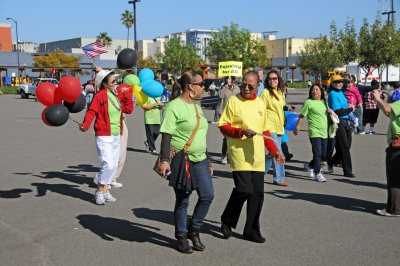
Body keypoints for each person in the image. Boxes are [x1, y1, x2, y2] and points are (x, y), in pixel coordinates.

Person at [218, 71, 284, 243]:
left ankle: (251, 231)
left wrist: (275, 150)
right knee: (244, 189)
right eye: (244, 85)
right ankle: (227, 220)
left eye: (250, 86)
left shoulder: (260, 103)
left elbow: (265, 131)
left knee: (257, 194)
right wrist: (240, 132)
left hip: (257, 155)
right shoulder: (234, 101)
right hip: (239, 153)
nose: (246, 88)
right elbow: (223, 126)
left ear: (257, 86)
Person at [159, 72, 214, 254]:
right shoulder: (173, 107)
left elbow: (199, 134)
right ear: (190, 86)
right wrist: (165, 161)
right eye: (201, 84)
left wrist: (209, 161)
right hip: (182, 160)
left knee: (207, 195)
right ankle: (181, 237)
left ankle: (194, 230)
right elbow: (166, 134)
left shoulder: (197, 107)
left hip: (200, 160)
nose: (204, 87)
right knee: (183, 200)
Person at [80, 69, 134, 205]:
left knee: (114, 165)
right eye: (113, 81)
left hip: (116, 134)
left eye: (116, 80)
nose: (116, 83)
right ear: (105, 84)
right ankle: (99, 191)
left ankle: (105, 191)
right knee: (108, 164)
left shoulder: (115, 95)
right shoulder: (100, 96)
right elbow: (91, 111)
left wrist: (127, 96)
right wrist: (86, 124)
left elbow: (128, 110)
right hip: (104, 135)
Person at [260, 70, 294, 186]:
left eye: (274, 78)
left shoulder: (280, 92)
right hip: (270, 126)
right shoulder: (265, 93)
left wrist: (287, 108)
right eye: (270, 79)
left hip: (279, 126)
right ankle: (279, 178)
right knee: (277, 151)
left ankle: (259, 174)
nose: (272, 80)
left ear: (278, 79)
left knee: (271, 153)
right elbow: (260, 109)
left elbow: (280, 106)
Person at [294, 84, 332, 182]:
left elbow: (326, 114)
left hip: (324, 131)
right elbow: (302, 115)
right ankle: (317, 173)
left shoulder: (324, 101)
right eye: (313, 90)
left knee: (324, 154)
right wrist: (297, 127)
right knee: (317, 153)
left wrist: (330, 112)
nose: (314, 91)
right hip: (314, 131)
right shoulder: (308, 102)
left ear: (321, 92)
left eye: (316, 89)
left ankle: (309, 165)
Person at [373, 89, 400, 216]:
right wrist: (379, 101)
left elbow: (388, 109)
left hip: (397, 145)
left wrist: (379, 99)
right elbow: (389, 112)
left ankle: (394, 209)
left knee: (394, 178)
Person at [327, 75, 356, 177]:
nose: (340, 83)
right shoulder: (332, 94)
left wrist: (349, 107)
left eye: (341, 82)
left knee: (347, 146)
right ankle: (347, 171)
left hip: (347, 121)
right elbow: (338, 111)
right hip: (338, 122)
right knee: (344, 147)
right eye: (337, 82)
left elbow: (346, 104)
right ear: (332, 83)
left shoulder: (341, 93)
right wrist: (350, 109)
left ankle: (332, 161)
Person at [218, 76, 240, 164]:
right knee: (226, 137)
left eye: (231, 78)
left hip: (235, 114)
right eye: (228, 78)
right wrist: (226, 86)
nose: (230, 80)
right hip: (224, 114)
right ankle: (224, 156)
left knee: (233, 136)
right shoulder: (224, 88)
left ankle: (230, 156)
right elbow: (220, 95)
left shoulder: (237, 88)